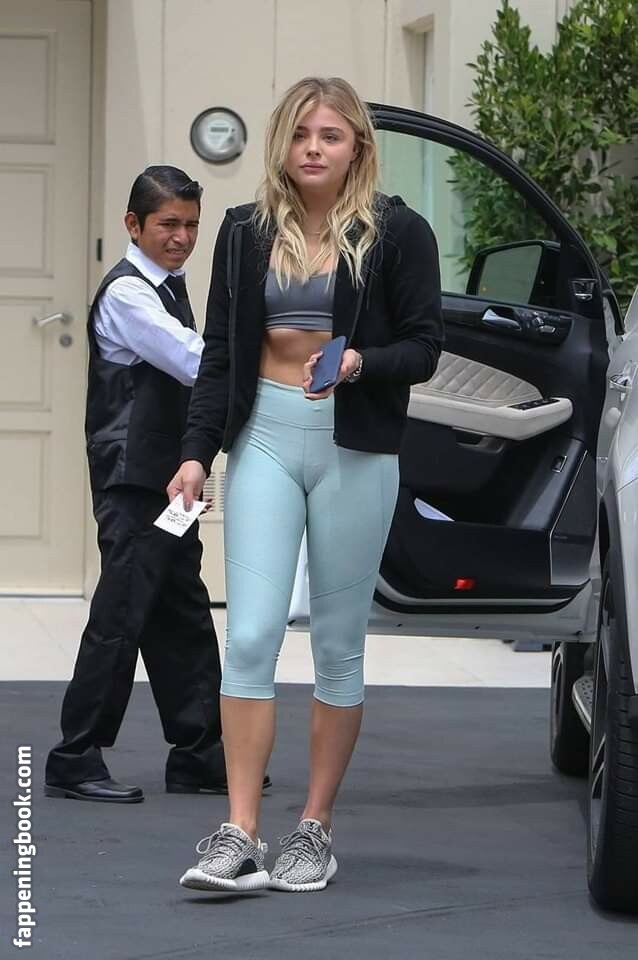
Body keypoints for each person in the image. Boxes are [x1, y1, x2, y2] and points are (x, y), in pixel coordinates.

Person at [170, 77, 442, 890]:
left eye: (330, 135)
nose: (313, 148)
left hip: (354, 446)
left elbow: (425, 347)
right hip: (264, 435)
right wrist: (196, 453)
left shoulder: (398, 232)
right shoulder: (245, 231)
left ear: (357, 146)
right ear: (282, 145)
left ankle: (314, 828)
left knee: (336, 645)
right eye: (300, 134)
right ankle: (239, 832)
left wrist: (357, 360)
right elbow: (221, 355)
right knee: (251, 635)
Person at [45, 166, 229, 803]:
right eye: (168, 224)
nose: (182, 237)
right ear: (133, 224)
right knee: (121, 613)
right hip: (132, 482)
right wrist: (270, 361)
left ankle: (199, 754)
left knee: (182, 610)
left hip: (170, 481)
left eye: (191, 225)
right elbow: (193, 360)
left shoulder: (170, 287)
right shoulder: (129, 294)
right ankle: (75, 756)